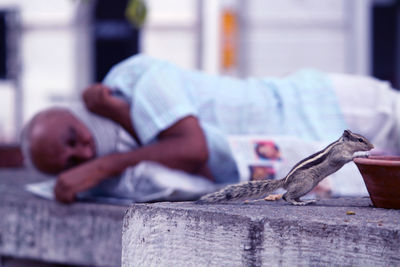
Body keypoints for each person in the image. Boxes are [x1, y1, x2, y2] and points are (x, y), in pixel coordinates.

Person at [22, 54, 400, 203]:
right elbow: (202, 166)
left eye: (73, 139)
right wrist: (121, 120)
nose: (83, 154)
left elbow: (193, 148)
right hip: (314, 147)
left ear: (74, 115)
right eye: (71, 162)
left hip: (324, 103)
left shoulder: (134, 78)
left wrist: (103, 166)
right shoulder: (127, 143)